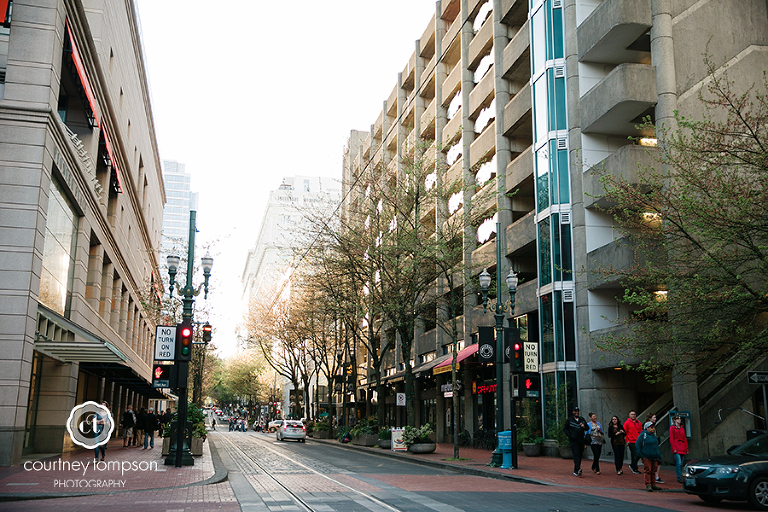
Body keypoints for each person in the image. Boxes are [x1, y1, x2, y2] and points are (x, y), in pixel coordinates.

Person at [636, 421, 662, 491]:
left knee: (653, 470)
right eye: (651, 427)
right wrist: (641, 455)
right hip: (647, 456)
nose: (653, 429)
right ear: (647, 428)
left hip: (654, 456)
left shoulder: (654, 436)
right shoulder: (643, 435)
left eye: (653, 427)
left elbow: (656, 446)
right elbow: (638, 445)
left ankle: (653, 484)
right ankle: (648, 484)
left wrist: (659, 456)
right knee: (648, 470)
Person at [563, 406, 588, 476]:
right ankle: (578, 468)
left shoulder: (582, 419)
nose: (577, 412)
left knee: (579, 455)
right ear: (573, 412)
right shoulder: (569, 420)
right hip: (573, 441)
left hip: (581, 440)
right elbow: (565, 429)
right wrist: (570, 435)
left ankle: (576, 470)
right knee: (576, 454)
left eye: (577, 411)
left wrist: (584, 426)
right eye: (575, 411)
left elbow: (587, 428)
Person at [669, 415, 689, 483]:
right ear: (674, 420)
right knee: (679, 463)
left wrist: (686, 448)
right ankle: (679, 477)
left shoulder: (682, 428)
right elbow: (671, 439)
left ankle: (681, 476)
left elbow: (684, 438)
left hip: (682, 446)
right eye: (678, 419)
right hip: (676, 447)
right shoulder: (672, 428)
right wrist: (674, 448)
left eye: (680, 419)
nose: (679, 420)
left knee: (681, 463)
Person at [645, 413, 663, 483]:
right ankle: (654, 477)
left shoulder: (654, 427)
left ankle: (656, 476)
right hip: (650, 447)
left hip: (655, 445)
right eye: (654, 417)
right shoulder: (648, 426)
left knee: (658, 461)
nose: (655, 419)